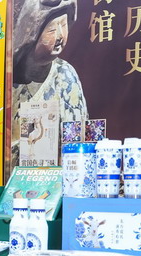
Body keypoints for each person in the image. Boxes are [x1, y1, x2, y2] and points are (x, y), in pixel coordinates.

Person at [11, 0, 88, 168]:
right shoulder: (6, 79)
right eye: (52, 29)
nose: (60, 35)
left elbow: (76, 137)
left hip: (54, 175)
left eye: (64, 25)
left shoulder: (64, 74)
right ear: (31, 32)